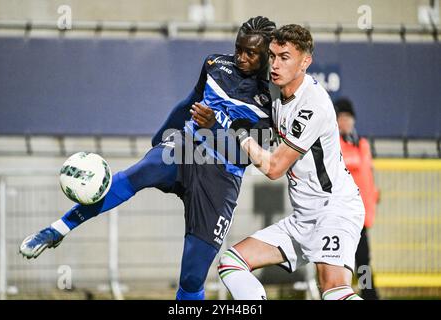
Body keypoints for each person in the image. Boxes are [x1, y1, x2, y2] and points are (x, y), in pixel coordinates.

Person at [19, 16, 276, 300]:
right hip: (186, 147)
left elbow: (250, 154)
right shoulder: (215, 64)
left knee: (191, 277)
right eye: (238, 47)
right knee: (138, 173)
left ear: (267, 55)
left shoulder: (272, 98)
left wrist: (215, 125)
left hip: (222, 175)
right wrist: (161, 136)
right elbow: (190, 100)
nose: (241, 56)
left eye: (250, 53)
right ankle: (57, 229)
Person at [215, 24, 365, 300]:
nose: (275, 64)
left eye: (284, 57)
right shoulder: (274, 91)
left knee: (332, 290)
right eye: (272, 56)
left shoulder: (313, 105)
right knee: (231, 263)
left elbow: (274, 168)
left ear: (305, 62)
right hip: (302, 218)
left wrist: (239, 133)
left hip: (334, 209)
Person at [334, 97, 380, 300]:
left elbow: (367, 174)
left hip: (361, 216)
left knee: (363, 261)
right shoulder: (334, 144)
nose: (345, 122)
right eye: (341, 117)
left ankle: (369, 295)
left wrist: (375, 195)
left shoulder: (362, 144)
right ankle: (333, 293)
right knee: (336, 261)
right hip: (341, 216)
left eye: (348, 117)